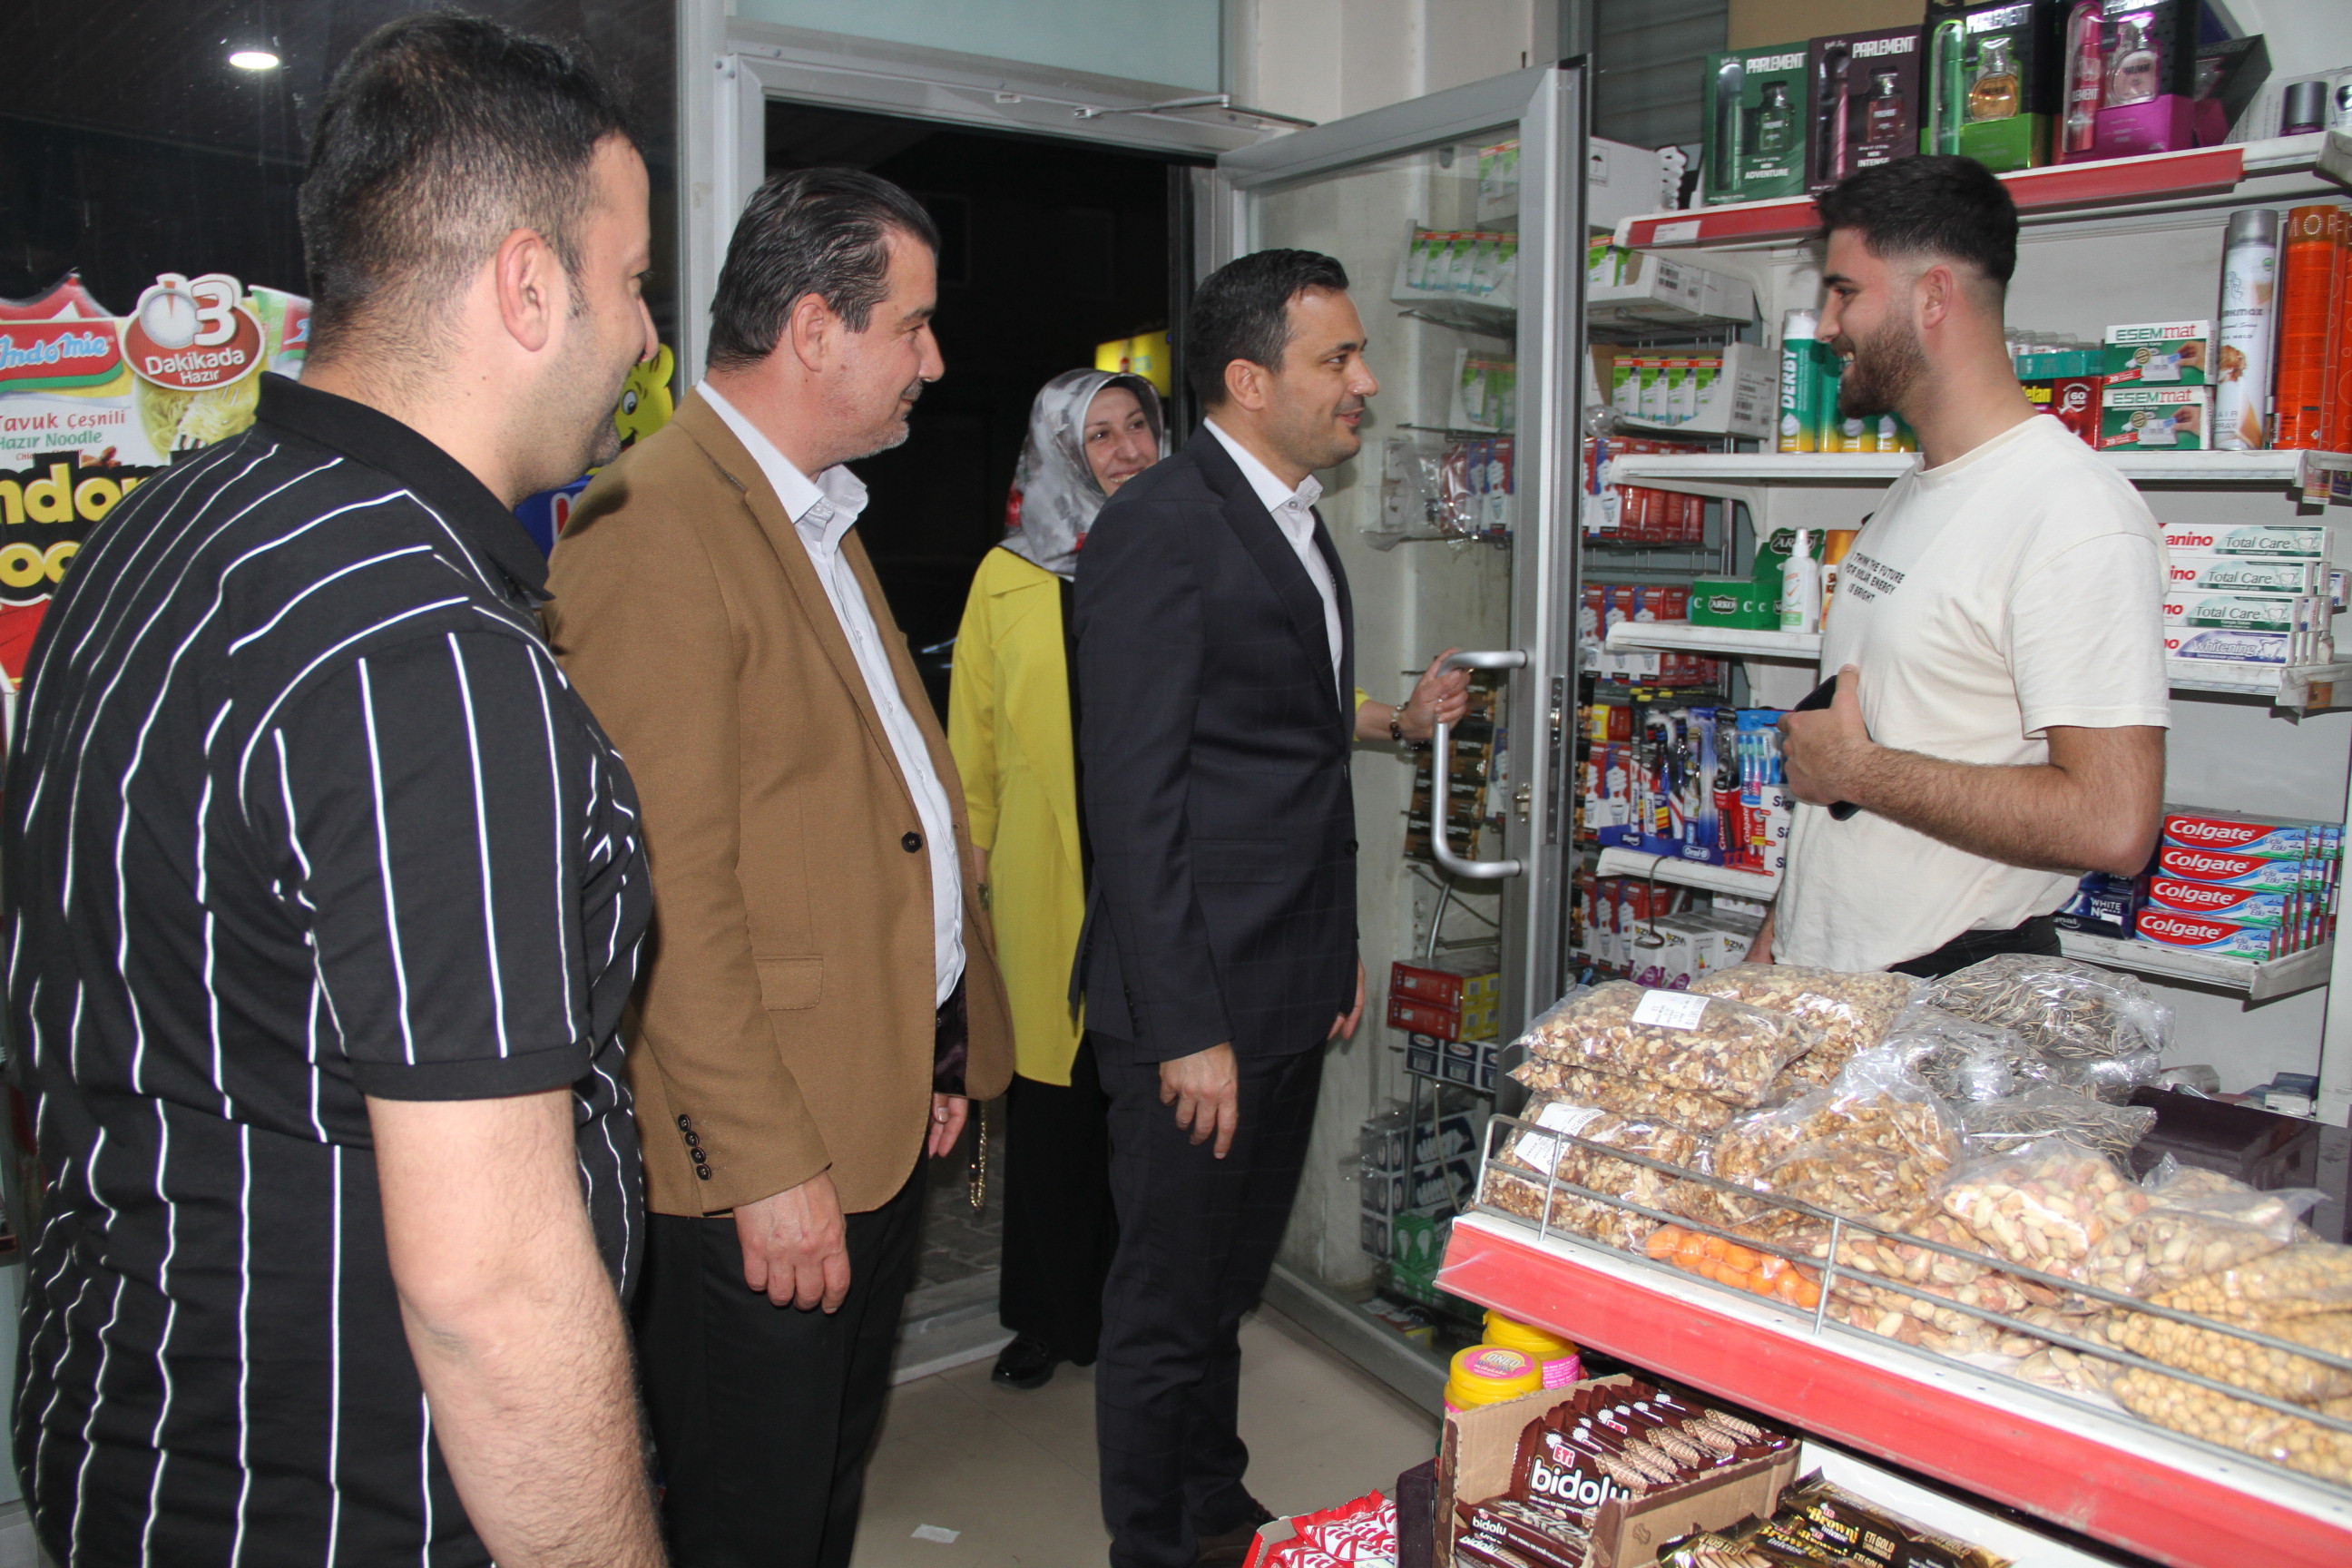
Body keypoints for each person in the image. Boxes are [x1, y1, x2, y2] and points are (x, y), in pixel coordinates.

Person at [3, 16, 665, 1567]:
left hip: (121, 1426)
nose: (646, 336)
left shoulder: (160, 528)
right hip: (352, 1499)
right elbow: (491, 1289)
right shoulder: (425, 655)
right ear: (528, 286)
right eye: (633, 280)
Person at [544, 167, 1014, 1568]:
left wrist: (934, 1044)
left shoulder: (808, 510)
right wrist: (757, 1165)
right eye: (912, 326)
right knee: (748, 1518)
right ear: (816, 328)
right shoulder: (656, 523)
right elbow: (664, 894)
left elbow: (865, 818)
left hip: (865, 1105)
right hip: (763, 1159)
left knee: (821, 1489)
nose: (934, 360)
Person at [1071, 249, 1472, 1568]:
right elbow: (1134, 804)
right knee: (1166, 1305)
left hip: (1286, 981)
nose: (1367, 382)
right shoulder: (1160, 525)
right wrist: (1188, 1025)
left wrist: (1334, 946)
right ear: (1249, 381)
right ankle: (1155, 1547)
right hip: (1192, 1003)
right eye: (1336, 359)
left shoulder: (1295, 519)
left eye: (1360, 354)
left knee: (1224, 1288)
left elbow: (1286, 753)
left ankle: (1213, 1508)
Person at [1758, 156, 2167, 976]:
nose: (1827, 326)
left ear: (1933, 297)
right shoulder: (1916, 492)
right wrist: (1764, 968)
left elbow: (2114, 824)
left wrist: (1857, 771)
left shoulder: (2072, 512)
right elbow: (1847, 804)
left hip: (1947, 993)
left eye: (1845, 292)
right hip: (1832, 987)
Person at [947, 368, 1163, 1393]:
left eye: (1137, 427)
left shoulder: (1183, 552)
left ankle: (1141, 1315)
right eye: (1099, 434)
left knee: (1147, 1111)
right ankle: (1046, 1316)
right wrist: (974, 892)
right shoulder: (1006, 577)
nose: (1124, 451)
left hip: (1155, 871)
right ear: (1061, 451)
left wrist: (1386, 715)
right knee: (1051, 1110)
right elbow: (974, 746)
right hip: (1044, 878)